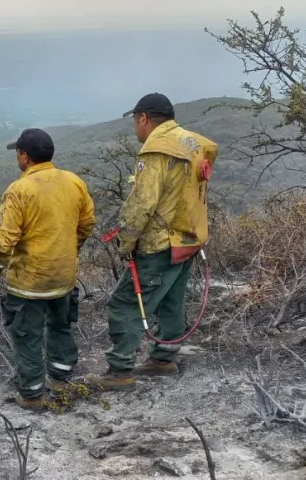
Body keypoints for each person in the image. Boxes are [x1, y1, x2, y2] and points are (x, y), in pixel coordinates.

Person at [86, 93, 218, 392]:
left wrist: (126, 241)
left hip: (159, 243)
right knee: (172, 300)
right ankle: (164, 358)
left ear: (143, 118)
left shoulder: (156, 150)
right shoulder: (192, 143)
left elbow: (142, 203)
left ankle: (119, 370)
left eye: (136, 121)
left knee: (124, 304)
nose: (136, 128)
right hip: (188, 239)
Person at [0, 128, 96, 410]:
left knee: (27, 336)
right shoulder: (74, 182)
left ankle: (32, 394)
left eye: (18, 153)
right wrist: (71, 250)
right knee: (61, 326)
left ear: (24, 156)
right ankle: (61, 377)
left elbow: (4, 241)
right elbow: (86, 224)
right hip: (64, 276)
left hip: (29, 283)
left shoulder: (19, 191)